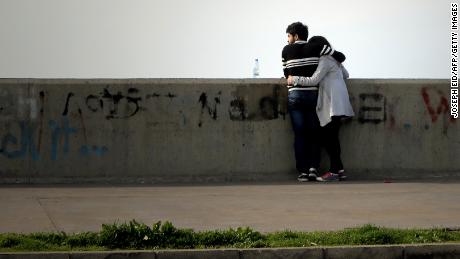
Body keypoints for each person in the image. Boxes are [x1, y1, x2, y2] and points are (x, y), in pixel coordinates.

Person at [282, 22, 346, 182]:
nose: (288, 39)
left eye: (289, 36)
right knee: (314, 134)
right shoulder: (317, 49)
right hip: (313, 96)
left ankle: (303, 171)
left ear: (295, 36)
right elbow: (340, 56)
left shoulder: (286, 50)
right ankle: (313, 168)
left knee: (300, 135)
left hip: (295, 94)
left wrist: (294, 77)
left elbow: (286, 73)